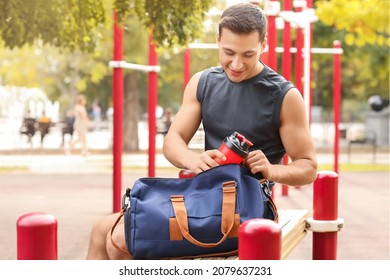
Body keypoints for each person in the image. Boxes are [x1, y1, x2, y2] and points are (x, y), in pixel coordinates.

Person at [85, 2, 317, 260]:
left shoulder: (285, 96)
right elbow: (173, 141)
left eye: (248, 54)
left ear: (264, 45)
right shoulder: (202, 82)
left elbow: (308, 167)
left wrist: (273, 170)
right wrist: (192, 159)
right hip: (204, 196)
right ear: (218, 40)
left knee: (120, 241)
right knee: (100, 230)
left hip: (246, 208)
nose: (237, 64)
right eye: (229, 52)